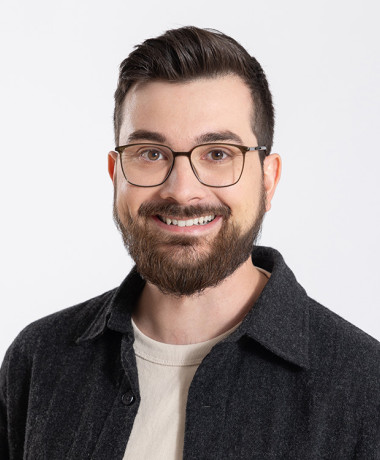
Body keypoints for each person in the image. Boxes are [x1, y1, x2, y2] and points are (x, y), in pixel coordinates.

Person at [0, 26, 379, 460]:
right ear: (115, 174)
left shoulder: (365, 387)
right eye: (150, 153)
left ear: (269, 179)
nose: (182, 191)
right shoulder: (38, 361)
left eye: (218, 153)